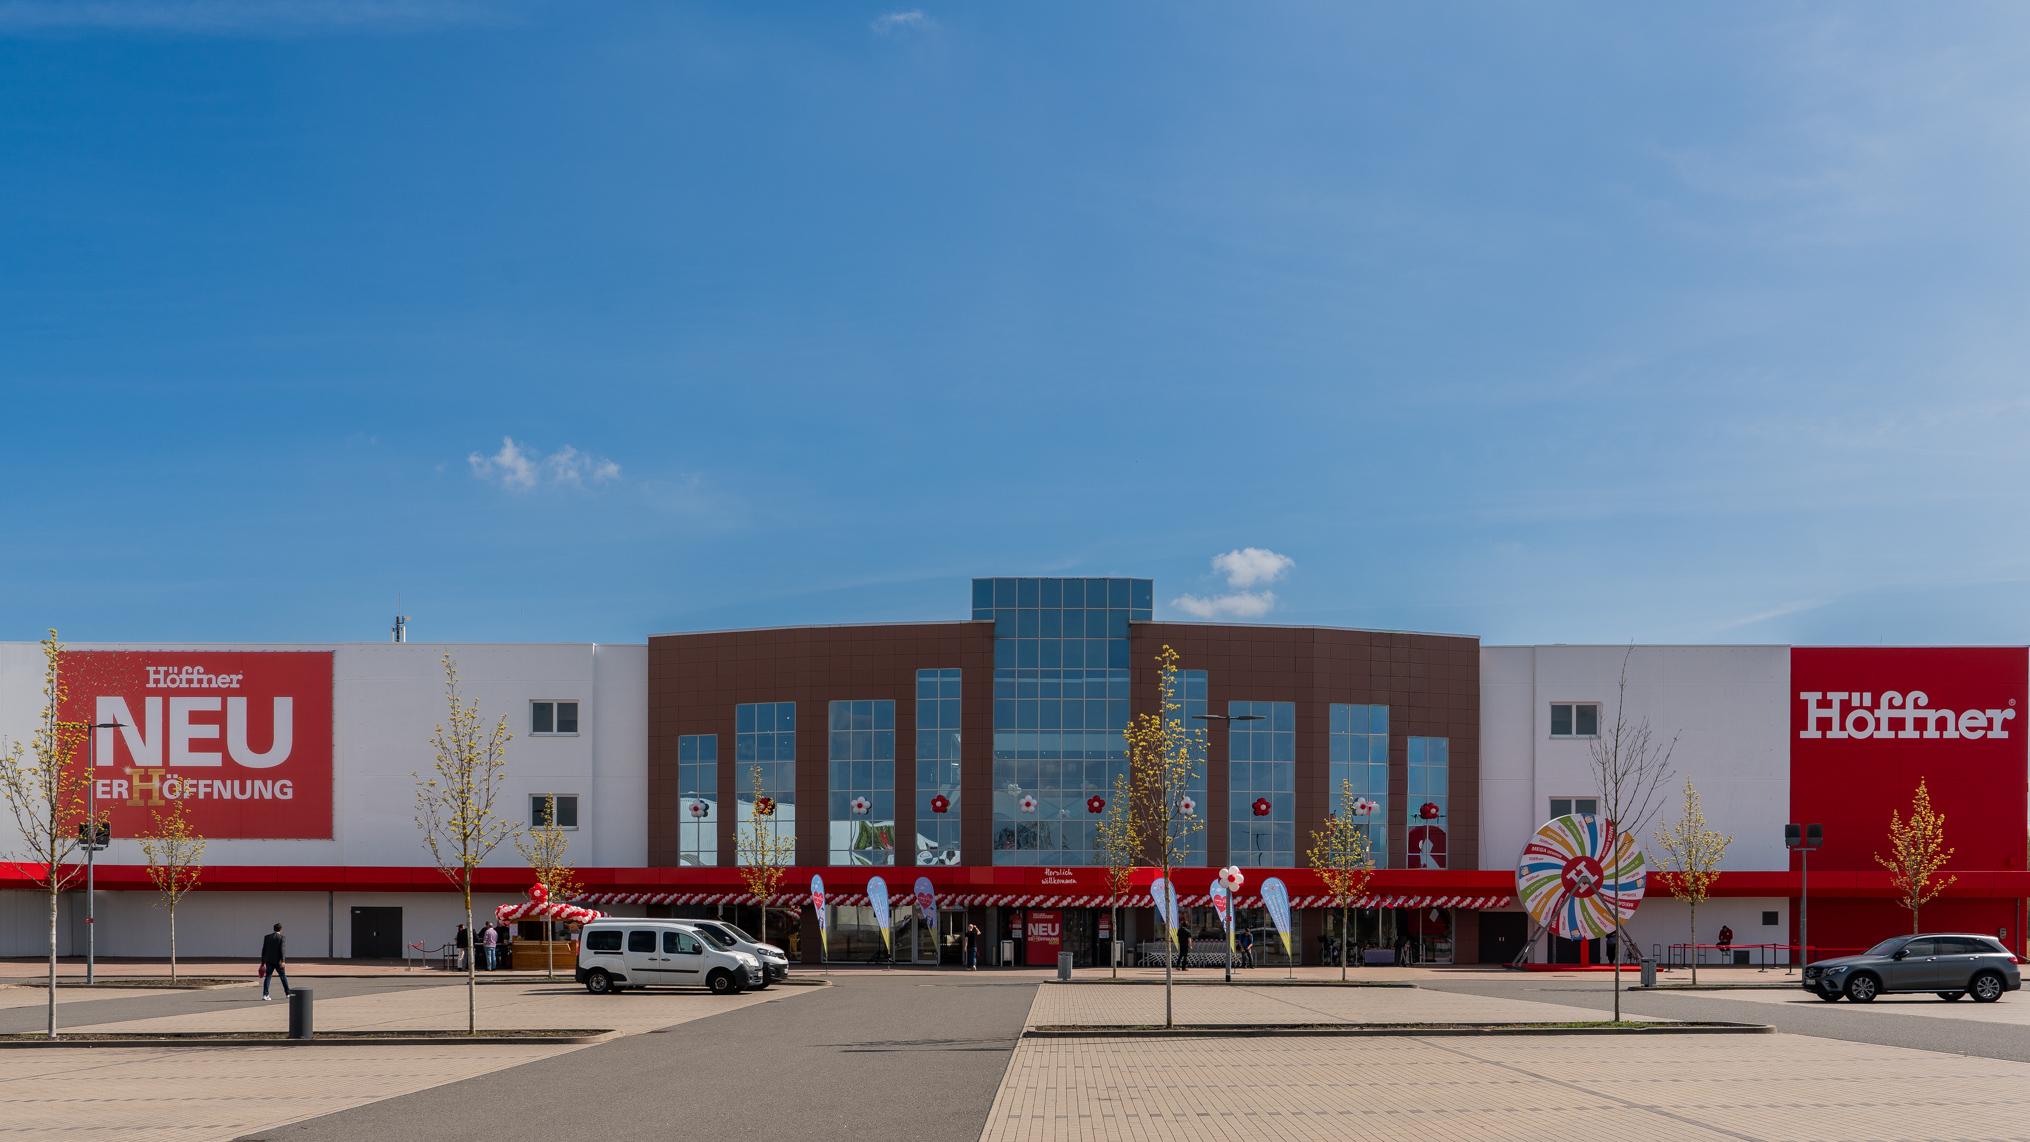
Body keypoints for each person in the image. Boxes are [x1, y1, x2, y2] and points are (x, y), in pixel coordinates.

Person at [259, 922, 291, 1001]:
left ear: (273, 929)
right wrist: (283, 961)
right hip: (278, 962)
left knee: (268, 977)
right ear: (281, 929)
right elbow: (282, 950)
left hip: (269, 961)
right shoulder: (282, 937)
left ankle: (265, 995)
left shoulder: (267, 937)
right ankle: (288, 993)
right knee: (283, 977)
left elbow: (264, 950)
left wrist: (263, 962)